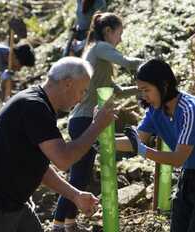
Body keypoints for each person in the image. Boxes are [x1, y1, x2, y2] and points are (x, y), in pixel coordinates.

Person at [0, 57, 117, 232]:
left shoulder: (39, 104)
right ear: (67, 84)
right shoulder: (34, 106)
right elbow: (63, 160)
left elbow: (37, 167)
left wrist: (76, 195)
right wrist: (97, 126)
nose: (81, 99)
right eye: (82, 91)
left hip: (12, 203)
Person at [117, 59, 195, 232]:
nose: (143, 96)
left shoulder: (192, 109)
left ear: (164, 85)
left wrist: (142, 151)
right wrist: (99, 140)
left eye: (147, 90)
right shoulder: (155, 110)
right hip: (190, 175)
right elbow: (136, 140)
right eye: (141, 91)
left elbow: (177, 159)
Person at [52, 12, 142, 232]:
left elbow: (115, 91)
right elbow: (128, 62)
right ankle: (58, 225)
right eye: (119, 34)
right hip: (84, 120)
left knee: (80, 177)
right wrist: (153, 67)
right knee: (78, 178)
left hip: (85, 120)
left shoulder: (99, 60)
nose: (120, 40)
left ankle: (68, 223)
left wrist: (140, 89)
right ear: (108, 31)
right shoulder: (100, 47)